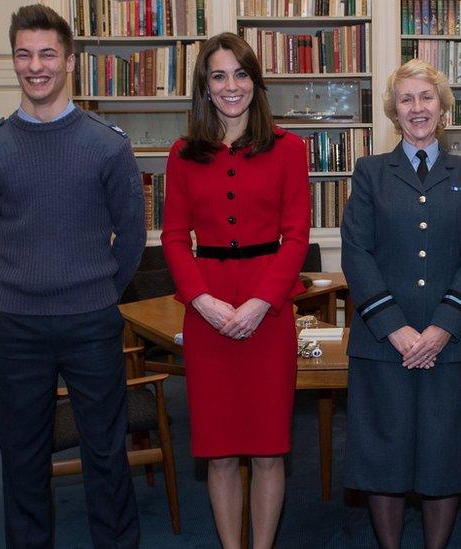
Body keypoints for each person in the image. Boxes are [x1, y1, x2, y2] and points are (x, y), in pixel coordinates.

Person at [0, 4, 144, 547]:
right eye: (23, 53)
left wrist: (93, 294)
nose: (35, 65)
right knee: (22, 457)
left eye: (47, 53)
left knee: (107, 455)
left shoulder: (108, 145)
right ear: (13, 60)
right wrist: (29, 281)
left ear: (69, 60)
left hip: (92, 323)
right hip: (17, 326)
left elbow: (131, 239)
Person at [160, 32, 310, 549]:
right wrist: (201, 300)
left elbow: (297, 236)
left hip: (268, 313)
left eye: (241, 74)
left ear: (256, 82)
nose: (231, 86)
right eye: (219, 75)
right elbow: (175, 238)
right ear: (204, 84)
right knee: (219, 451)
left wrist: (261, 301)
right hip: (207, 313)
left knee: (269, 450)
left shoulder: (291, 149)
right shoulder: (182, 154)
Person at [340, 58, 461, 549]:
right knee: (383, 454)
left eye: (427, 97)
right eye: (406, 99)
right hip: (384, 343)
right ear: (393, 111)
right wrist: (396, 329)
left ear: (443, 108)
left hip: (447, 343)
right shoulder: (369, 173)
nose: (418, 108)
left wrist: (444, 327)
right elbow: (357, 254)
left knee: (440, 454)